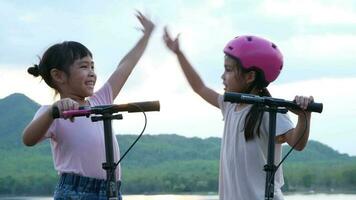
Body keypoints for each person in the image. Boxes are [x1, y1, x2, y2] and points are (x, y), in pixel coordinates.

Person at [163, 28, 314, 200]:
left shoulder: (268, 111)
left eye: (228, 70)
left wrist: (304, 116)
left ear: (250, 76)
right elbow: (200, 87)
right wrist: (178, 53)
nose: (222, 76)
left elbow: (297, 143)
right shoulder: (229, 106)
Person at [22, 11, 154, 200]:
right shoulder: (53, 112)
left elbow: (125, 66)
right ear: (59, 76)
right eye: (84, 67)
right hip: (76, 191)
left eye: (92, 66)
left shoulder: (101, 101)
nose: (92, 72)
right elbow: (28, 139)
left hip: (111, 190)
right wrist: (53, 112)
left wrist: (146, 35)